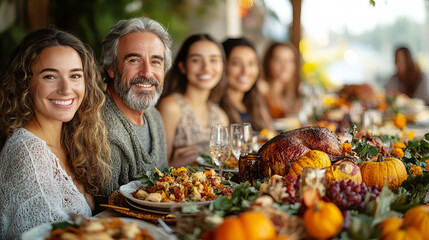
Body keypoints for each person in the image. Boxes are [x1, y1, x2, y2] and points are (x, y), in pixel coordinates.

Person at [0, 27, 111, 239]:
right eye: (50, 76)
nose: (66, 88)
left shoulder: (72, 140)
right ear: (26, 83)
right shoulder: (28, 155)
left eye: (75, 75)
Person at [99, 17, 171, 197]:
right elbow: (105, 206)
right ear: (111, 68)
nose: (147, 72)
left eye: (156, 62)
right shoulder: (100, 127)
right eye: (134, 60)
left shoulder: (154, 116)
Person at [157, 34, 229, 167]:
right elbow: (157, 168)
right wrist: (174, 166)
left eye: (214, 60)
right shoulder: (171, 107)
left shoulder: (221, 116)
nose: (206, 68)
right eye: (196, 60)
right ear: (182, 66)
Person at [220, 37, 273, 131]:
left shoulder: (256, 102)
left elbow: (271, 135)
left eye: (251, 63)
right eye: (236, 63)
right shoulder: (217, 111)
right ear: (223, 66)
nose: (245, 71)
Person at [259, 42, 301, 118]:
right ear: (268, 62)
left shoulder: (288, 94)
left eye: (289, 61)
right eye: (278, 60)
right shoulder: (261, 89)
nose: (285, 67)